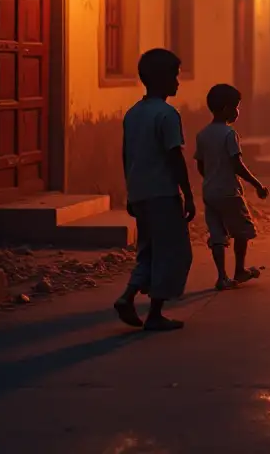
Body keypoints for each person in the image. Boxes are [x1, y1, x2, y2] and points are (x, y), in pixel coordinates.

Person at [114, 48, 196, 332]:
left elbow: (127, 156)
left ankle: (128, 295)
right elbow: (175, 157)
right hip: (163, 193)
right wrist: (187, 193)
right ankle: (156, 313)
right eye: (174, 76)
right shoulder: (167, 115)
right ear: (162, 79)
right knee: (173, 251)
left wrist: (130, 191)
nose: (177, 82)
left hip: (141, 192)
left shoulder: (133, 114)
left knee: (148, 249)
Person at [194, 83, 269, 291]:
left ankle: (221, 276)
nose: (238, 111)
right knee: (241, 231)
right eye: (237, 106)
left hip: (210, 192)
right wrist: (257, 184)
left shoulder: (203, 135)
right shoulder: (229, 134)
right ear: (227, 108)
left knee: (217, 234)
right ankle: (239, 270)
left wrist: (211, 179)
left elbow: (201, 164)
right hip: (229, 192)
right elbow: (237, 165)